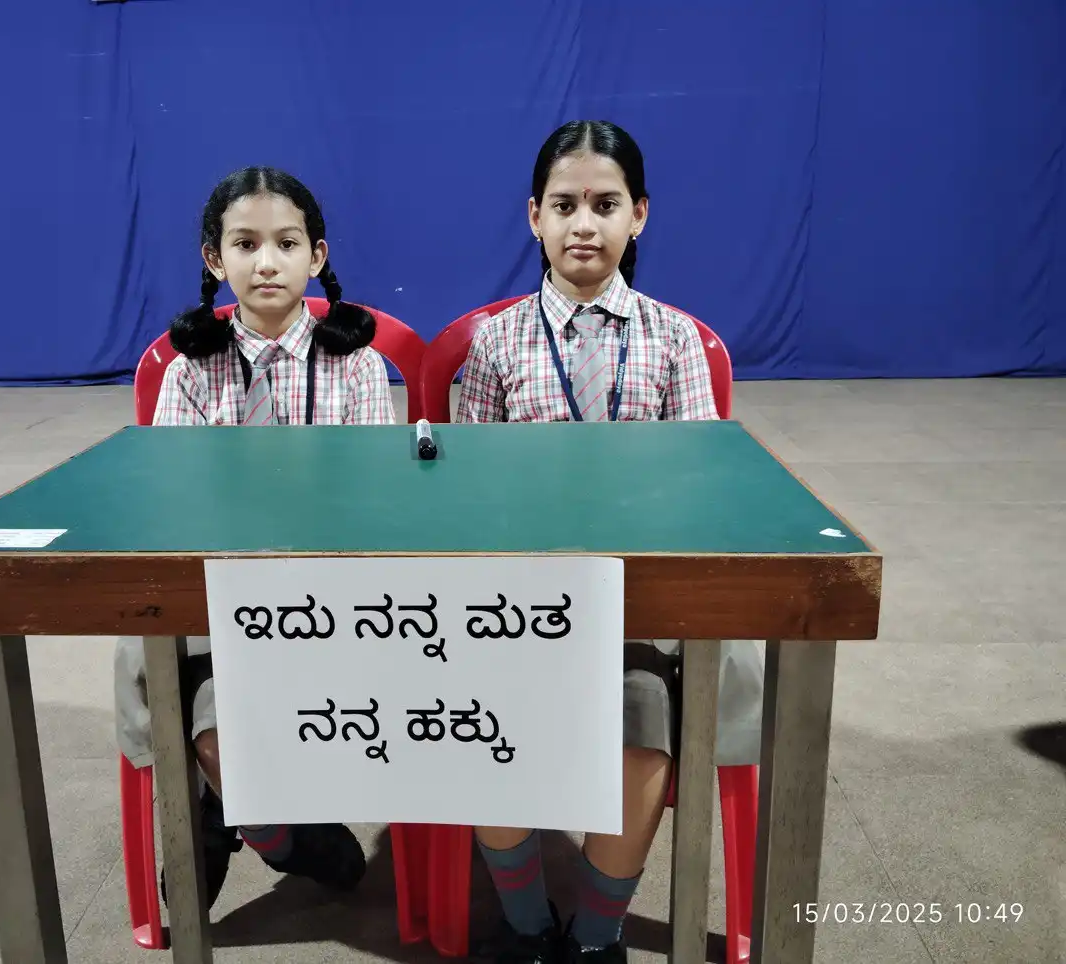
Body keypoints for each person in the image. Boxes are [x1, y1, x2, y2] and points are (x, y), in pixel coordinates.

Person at [456, 120, 725, 963]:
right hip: (515, 605)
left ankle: (596, 934)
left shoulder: (675, 339)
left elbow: (704, 492)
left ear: (638, 216)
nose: (584, 225)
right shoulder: (493, 344)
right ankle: (528, 926)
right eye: (564, 205)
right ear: (533, 216)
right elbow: (465, 491)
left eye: (605, 205)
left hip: (634, 605)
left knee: (645, 720)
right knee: (478, 719)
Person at [115, 166, 395, 914]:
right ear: (216, 259)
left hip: (330, 595)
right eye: (245, 244)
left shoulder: (360, 368)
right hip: (219, 593)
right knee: (199, 706)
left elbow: (369, 506)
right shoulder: (189, 374)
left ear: (317, 254)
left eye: (286, 242)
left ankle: (219, 811)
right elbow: (178, 506)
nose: (266, 261)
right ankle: (282, 836)